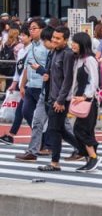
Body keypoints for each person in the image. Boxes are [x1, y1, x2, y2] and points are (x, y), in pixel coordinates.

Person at [38, 26, 78, 172]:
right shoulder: (55, 51)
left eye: (58, 38)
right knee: (61, 130)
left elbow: (68, 79)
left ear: (65, 40)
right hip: (51, 97)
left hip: (60, 100)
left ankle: (55, 163)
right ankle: (87, 151)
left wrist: (61, 100)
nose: (54, 40)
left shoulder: (67, 54)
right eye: (53, 37)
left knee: (54, 130)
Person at [14, 21, 52, 162]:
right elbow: (26, 67)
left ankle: (46, 144)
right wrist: (22, 85)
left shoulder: (47, 45)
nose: (32, 31)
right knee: (27, 112)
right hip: (31, 85)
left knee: (51, 119)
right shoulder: (30, 47)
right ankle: (39, 142)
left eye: (34, 28)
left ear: (42, 29)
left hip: (43, 86)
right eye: (30, 29)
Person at [69, 32, 102, 172]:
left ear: (82, 44)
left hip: (89, 101)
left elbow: (94, 81)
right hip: (80, 100)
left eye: (75, 42)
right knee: (84, 129)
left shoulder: (90, 60)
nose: (73, 45)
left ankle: (93, 157)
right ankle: (90, 159)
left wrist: (85, 96)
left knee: (80, 129)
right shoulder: (78, 59)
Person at [0, 26, 31, 145]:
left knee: (28, 112)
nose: (21, 37)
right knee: (21, 110)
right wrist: (15, 84)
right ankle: (11, 135)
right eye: (21, 35)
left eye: (24, 35)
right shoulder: (22, 50)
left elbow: (27, 70)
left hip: (32, 85)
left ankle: (44, 138)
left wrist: (20, 84)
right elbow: (19, 70)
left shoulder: (33, 49)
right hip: (24, 84)